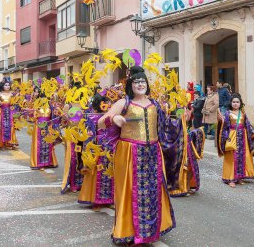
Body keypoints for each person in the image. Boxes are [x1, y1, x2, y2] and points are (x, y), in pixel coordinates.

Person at [98, 66, 183, 245]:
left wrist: (183, 121)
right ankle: (128, 232)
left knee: (152, 193)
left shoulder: (155, 104)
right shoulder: (124, 103)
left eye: (143, 81)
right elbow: (99, 123)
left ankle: (149, 232)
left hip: (152, 153)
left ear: (147, 84)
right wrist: (113, 119)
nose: (140, 84)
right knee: (129, 193)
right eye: (136, 82)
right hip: (129, 152)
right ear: (130, 84)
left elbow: (166, 128)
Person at [77, 93, 115, 210]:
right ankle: (96, 201)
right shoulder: (92, 117)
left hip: (110, 149)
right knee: (97, 174)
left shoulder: (112, 117)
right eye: (105, 104)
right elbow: (88, 136)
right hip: (97, 150)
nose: (107, 106)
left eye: (108, 104)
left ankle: (109, 199)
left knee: (109, 174)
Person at [217, 93, 254, 188]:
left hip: (242, 138)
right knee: (232, 158)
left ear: (240, 103)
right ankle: (230, 179)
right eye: (233, 102)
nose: (235, 104)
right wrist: (225, 137)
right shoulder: (228, 113)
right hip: (232, 137)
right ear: (231, 103)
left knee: (241, 157)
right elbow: (224, 127)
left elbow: (247, 125)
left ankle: (239, 177)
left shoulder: (243, 113)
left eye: (237, 102)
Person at [30, 94, 58, 170]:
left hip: (48, 127)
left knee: (48, 144)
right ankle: (39, 163)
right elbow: (33, 117)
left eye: (45, 97)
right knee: (39, 145)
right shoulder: (36, 106)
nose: (44, 99)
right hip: (39, 127)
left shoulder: (50, 106)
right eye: (42, 98)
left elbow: (54, 117)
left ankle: (49, 162)